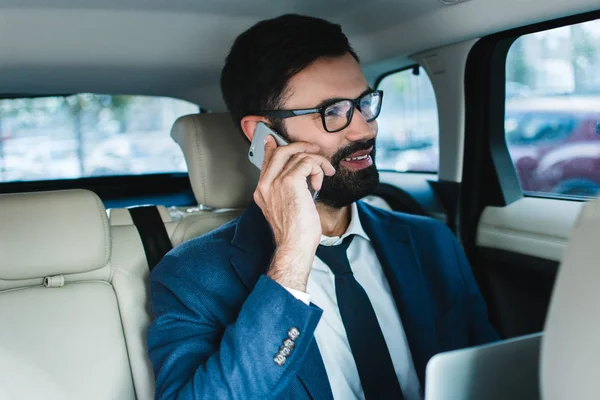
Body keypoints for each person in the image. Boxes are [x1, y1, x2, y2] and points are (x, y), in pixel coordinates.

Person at [148, 14, 499, 400]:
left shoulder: (431, 240)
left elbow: (492, 374)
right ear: (262, 134)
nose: (365, 129)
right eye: (333, 111)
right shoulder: (192, 277)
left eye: (364, 104)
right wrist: (293, 256)